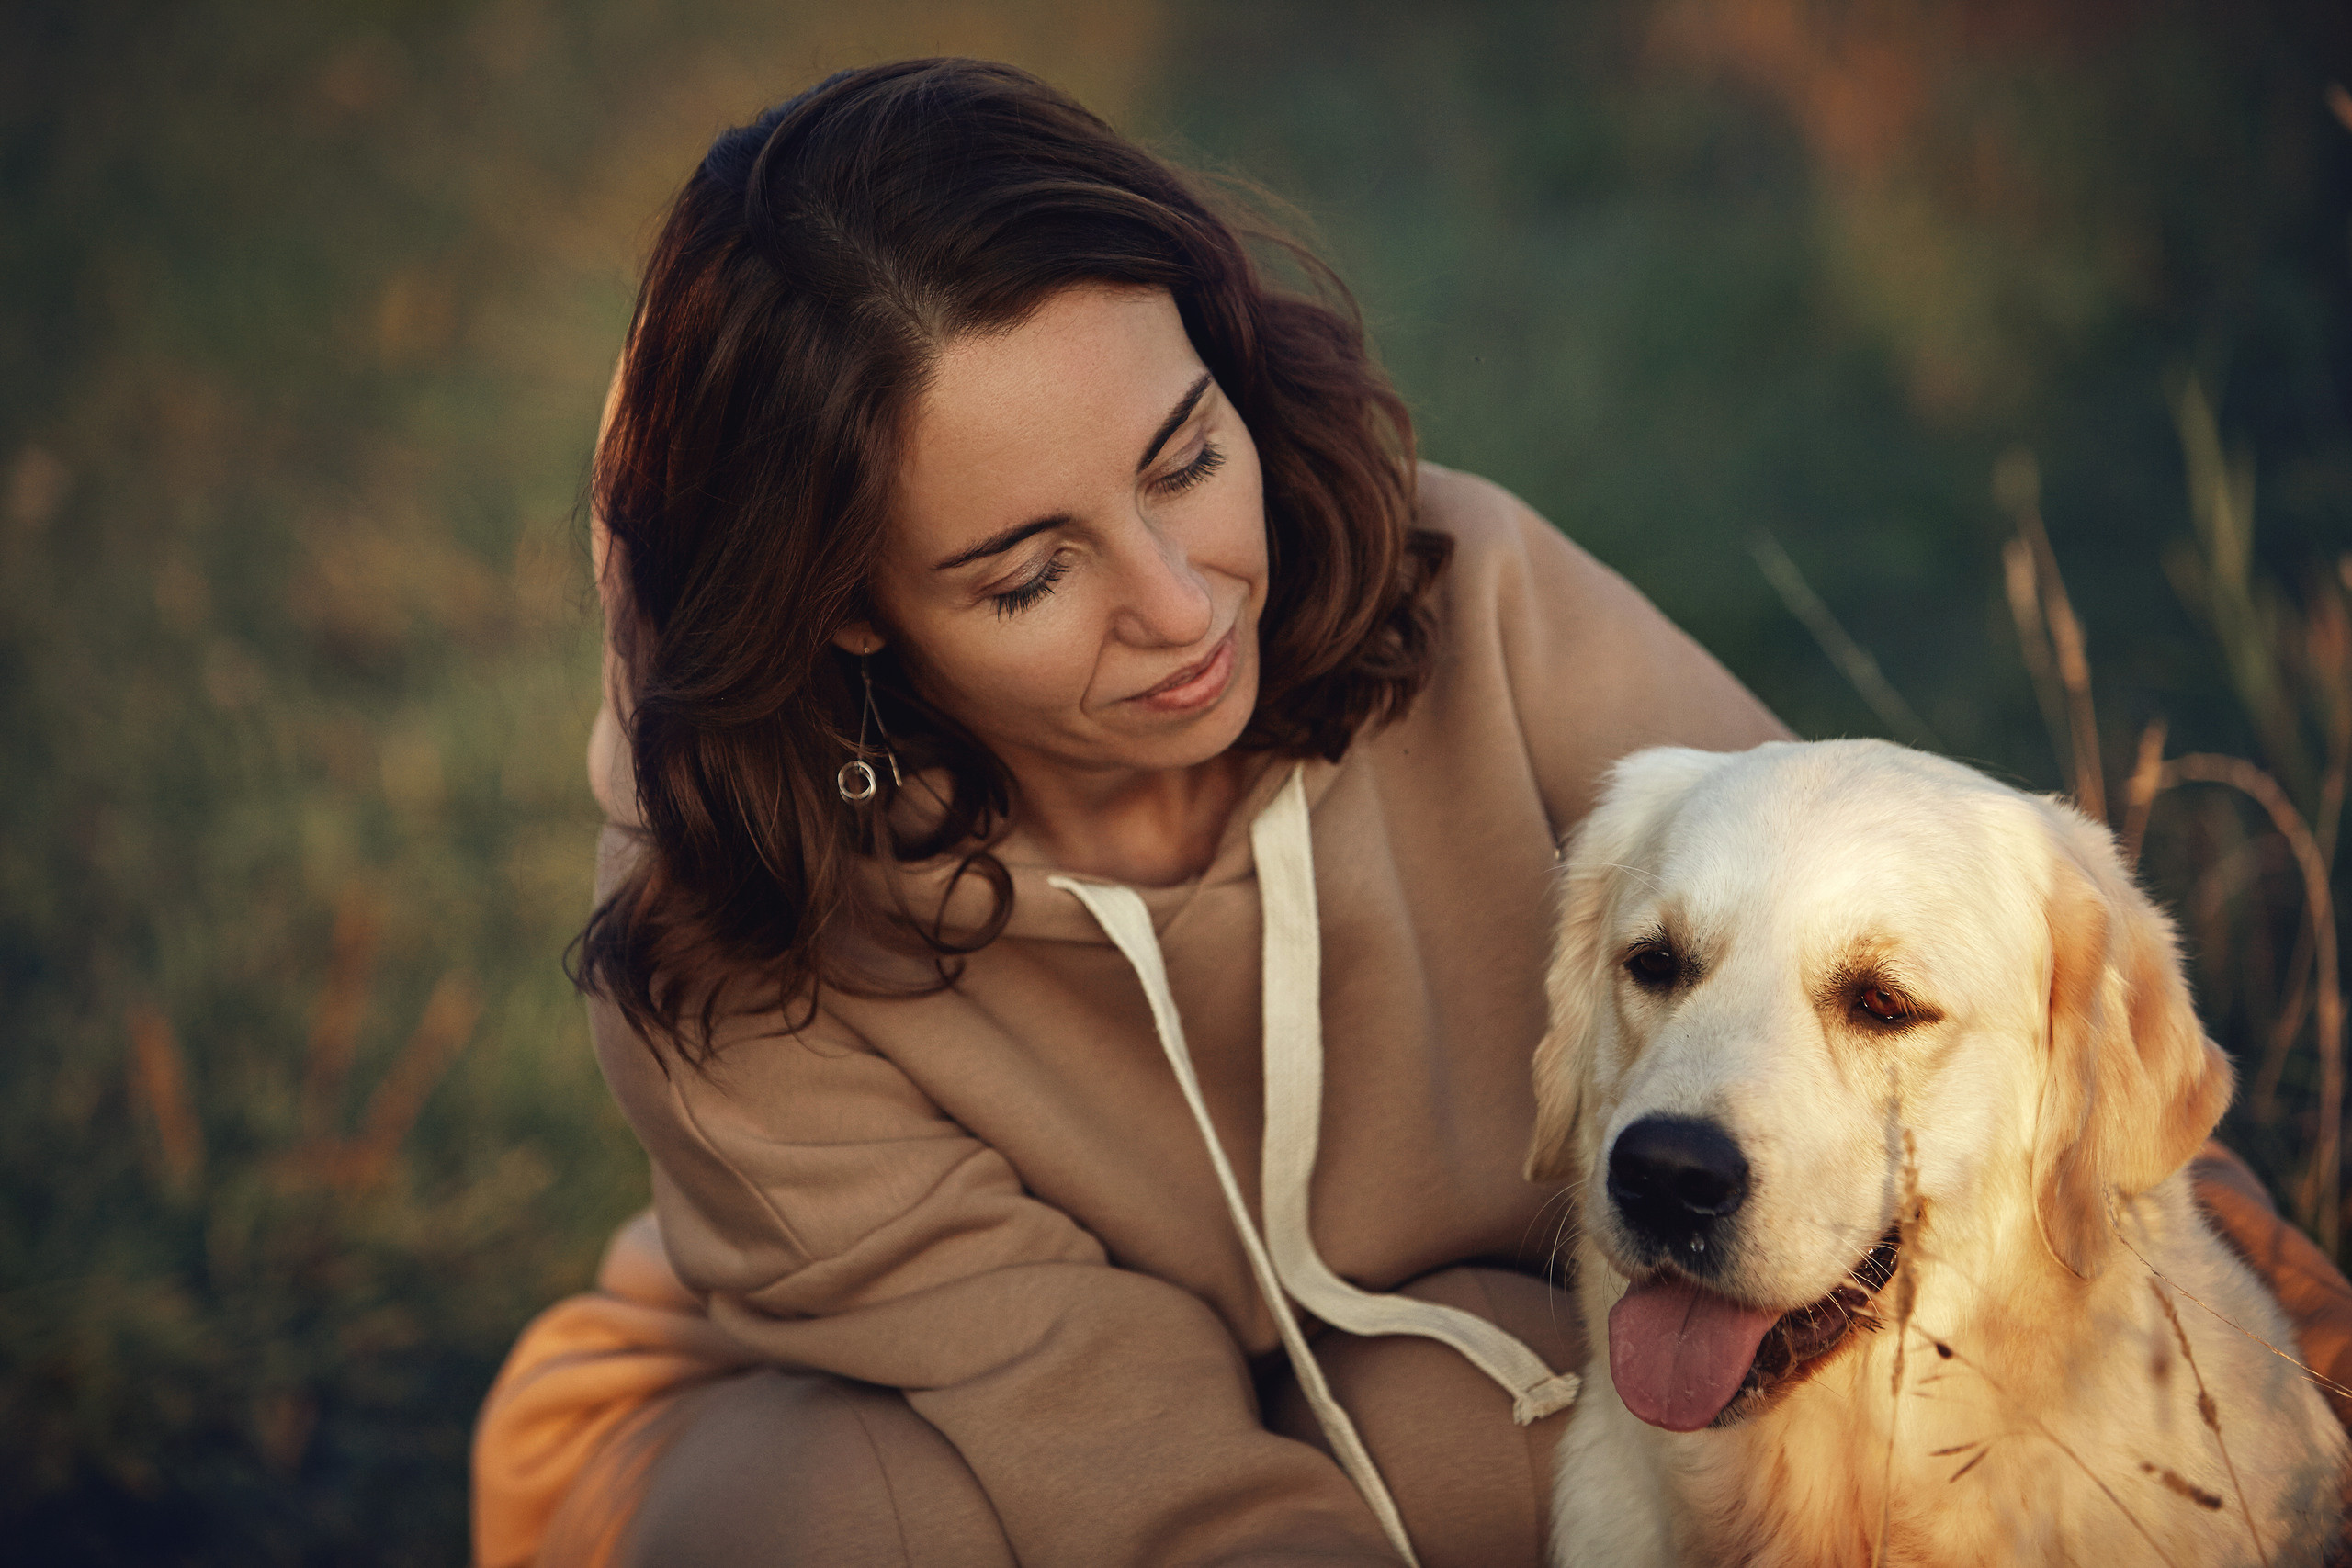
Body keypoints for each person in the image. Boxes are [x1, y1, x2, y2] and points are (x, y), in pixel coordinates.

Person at [470, 58, 2352, 1568]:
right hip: (884, 1421)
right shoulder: (725, 908)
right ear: (848, 603)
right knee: (883, 1531)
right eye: (1029, 570)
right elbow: (1089, 1420)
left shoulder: (1467, 585)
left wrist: (2242, 1308)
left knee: (1551, 1463)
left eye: (1183, 456)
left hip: (1398, 1353)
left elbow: (1903, 944)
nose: (1185, 602)